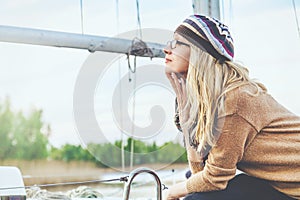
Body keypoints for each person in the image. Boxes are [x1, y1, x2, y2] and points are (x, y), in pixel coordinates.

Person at [163, 14, 300, 200]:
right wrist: (186, 111)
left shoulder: (234, 98)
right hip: (278, 187)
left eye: (177, 43)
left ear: (199, 52)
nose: (166, 49)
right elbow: (199, 174)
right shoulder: (215, 101)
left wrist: (172, 192)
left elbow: (215, 178)